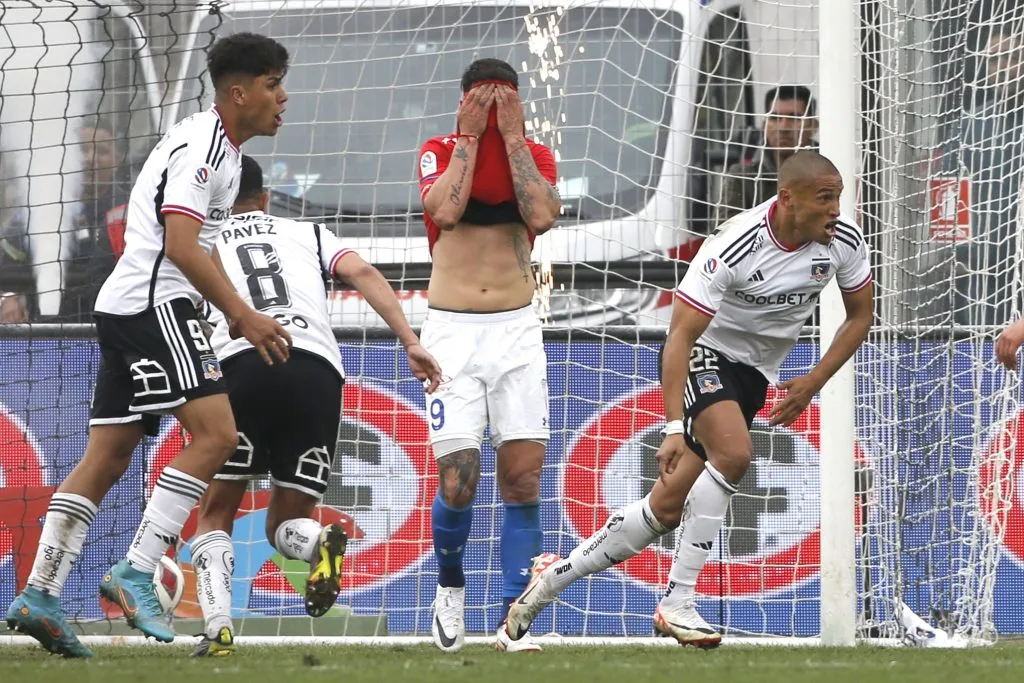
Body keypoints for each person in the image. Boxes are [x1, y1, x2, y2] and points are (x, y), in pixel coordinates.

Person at [505, 151, 874, 648]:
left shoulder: (843, 241)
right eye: (824, 198)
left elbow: (859, 316)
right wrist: (674, 427)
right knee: (735, 455)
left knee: (666, 508)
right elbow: (679, 336)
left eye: (839, 198)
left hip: (755, 375)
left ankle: (550, 578)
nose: (835, 210)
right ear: (788, 198)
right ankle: (678, 602)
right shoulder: (735, 245)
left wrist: (813, 380)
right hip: (707, 353)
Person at [5, 32, 292, 658]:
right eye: (273, 84)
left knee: (107, 454)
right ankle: (138, 567)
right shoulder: (207, 151)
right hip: (155, 304)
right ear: (239, 92)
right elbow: (183, 245)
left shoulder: (214, 145)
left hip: (126, 304)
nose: (283, 97)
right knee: (217, 436)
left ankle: (40, 592)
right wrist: (241, 315)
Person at [187, 155, 443, 656]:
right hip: (316, 371)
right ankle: (316, 541)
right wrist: (410, 339)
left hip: (243, 361)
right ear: (265, 198)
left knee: (216, 511)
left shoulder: (201, 241)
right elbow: (364, 272)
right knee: (285, 524)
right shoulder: (308, 230)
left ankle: (217, 628)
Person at [416, 58, 560, 653]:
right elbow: (444, 211)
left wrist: (513, 137)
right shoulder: (438, 149)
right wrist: (472, 137)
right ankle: (450, 585)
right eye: (484, 97)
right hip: (451, 333)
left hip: (517, 331)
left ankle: (512, 616)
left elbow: (543, 215)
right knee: (459, 480)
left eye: (505, 98)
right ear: (464, 100)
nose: (495, 104)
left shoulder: (537, 154)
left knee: (522, 478)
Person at [60, 119, 134, 321]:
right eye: (82, 150)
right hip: (45, 324)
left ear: (118, 159)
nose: (89, 158)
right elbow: (13, 258)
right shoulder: (46, 206)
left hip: (110, 322)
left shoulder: (133, 210)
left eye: (101, 151)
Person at [716, 85, 818, 225]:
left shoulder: (830, 175)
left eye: (794, 118)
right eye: (775, 118)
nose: (783, 127)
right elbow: (726, 234)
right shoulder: (743, 177)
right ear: (764, 125)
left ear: (813, 126)